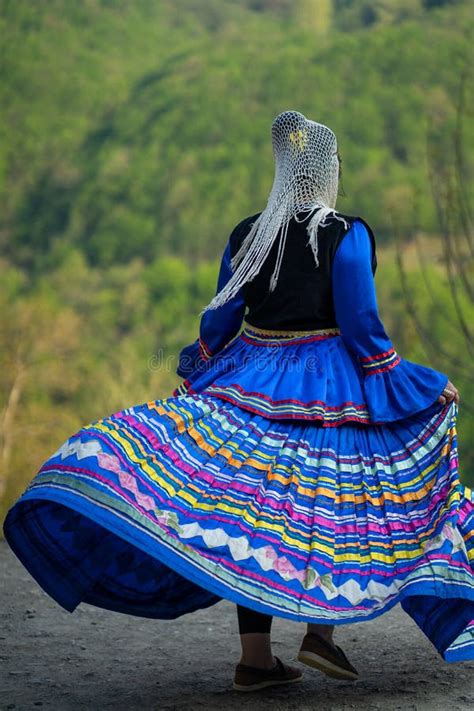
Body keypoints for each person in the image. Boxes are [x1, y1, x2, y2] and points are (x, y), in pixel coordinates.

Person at [3, 111, 473, 694]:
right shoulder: (348, 233)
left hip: (249, 372)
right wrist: (417, 382)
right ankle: (319, 634)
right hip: (330, 382)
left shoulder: (247, 235)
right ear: (328, 172)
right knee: (328, 500)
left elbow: (221, 317)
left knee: (253, 512)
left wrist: (197, 366)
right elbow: (360, 324)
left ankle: (256, 660)